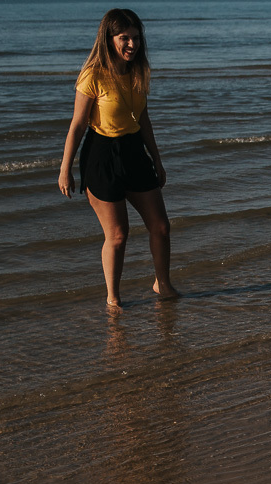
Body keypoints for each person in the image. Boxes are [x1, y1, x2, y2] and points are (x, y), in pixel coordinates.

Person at [59, 8, 179, 309]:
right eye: (124, 38)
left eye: (136, 38)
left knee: (161, 226)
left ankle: (162, 284)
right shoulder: (93, 75)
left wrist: (157, 159)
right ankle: (113, 299)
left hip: (135, 152)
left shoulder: (138, 71)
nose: (131, 44)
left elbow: (144, 118)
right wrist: (65, 169)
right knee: (117, 236)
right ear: (108, 38)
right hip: (102, 156)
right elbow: (77, 125)